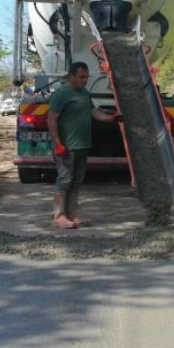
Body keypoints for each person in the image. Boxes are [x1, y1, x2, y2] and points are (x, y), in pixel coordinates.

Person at [47, 62, 120, 229]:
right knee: (64, 181)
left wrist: (108, 118)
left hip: (82, 146)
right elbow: (51, 119)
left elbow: (92, 111)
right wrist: (57, 143)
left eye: (87, 77)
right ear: (72, 76)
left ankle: (71, 215)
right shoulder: (61, 94)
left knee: (77, 181)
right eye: (82, 77)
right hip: (67, 147)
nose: (85, 80)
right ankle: (59, 217)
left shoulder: (84, 93)